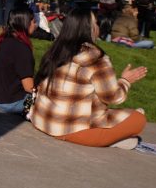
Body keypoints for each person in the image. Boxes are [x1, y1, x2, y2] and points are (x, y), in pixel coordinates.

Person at [28, 8, 148, 149]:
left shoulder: (55, 50)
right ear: (89, 29)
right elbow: (113, 97)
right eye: (95, 23)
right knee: (138, 119)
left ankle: (115, 139)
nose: (98, 27)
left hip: (42, 120)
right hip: (70, 129)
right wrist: (126, 80)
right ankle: (110, 138)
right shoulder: (95, 57)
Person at [0, 7, 37, 113]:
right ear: (26, 23)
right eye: (34, 21)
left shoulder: (1, 40)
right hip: (10, 103)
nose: (36, 25)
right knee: (50, 102)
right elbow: (29, 87)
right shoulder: (21, 48)